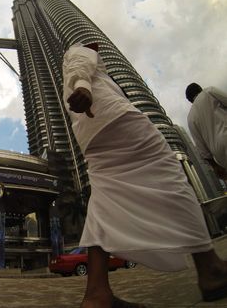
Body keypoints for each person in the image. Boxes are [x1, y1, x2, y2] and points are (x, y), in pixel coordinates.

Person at [62, 42, 227, 307]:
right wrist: (83, 86)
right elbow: (81, 62)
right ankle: (211, 268)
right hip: (116, 119)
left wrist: (82, 85)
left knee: (103, 203)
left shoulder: (68, 71)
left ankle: (97, 294)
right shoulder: (79, 50)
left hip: (89, 134)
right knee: (169, 175)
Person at [186, 83, 227, 180]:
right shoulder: (209, 91)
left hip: (219, 154)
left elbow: (202, 149)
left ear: (190, 100)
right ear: (200, 88)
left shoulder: (190, 118)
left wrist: (215, 166)